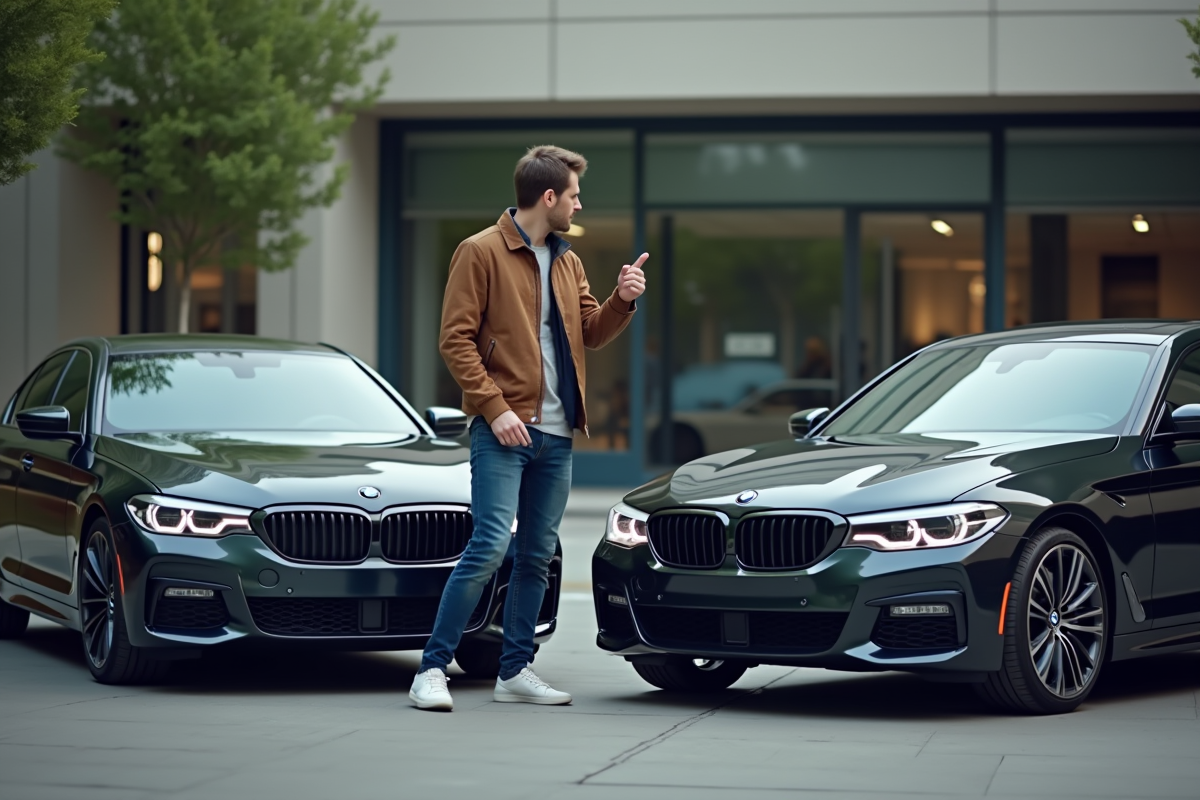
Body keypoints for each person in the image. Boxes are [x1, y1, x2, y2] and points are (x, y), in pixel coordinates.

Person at [409, 145, 648, 711]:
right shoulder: (479, 252)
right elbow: (455, 340)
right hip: (503, 432)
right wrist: (495, 409)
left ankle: (514, 671)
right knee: (490, 544)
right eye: (573, 195)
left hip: (558, 436)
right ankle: (431, 669)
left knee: (537, 554)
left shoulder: (567, 261)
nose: (578, 203)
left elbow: (589, 332)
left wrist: (622, 300)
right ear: (549, 197)